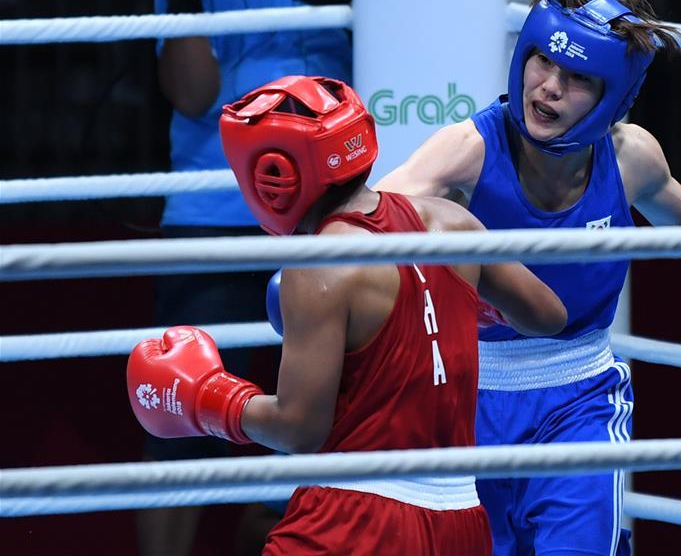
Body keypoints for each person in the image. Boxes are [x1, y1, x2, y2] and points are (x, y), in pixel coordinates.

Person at [375, 0, 681, 555]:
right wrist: (317, 284)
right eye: (541, 62)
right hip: (462, 397)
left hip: (578, 397)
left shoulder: (629, 155)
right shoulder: (468, 151)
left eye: (577, 77)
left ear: (615, 95)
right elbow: (372, 220)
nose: (548, 88)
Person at [126, 75, 568, 554]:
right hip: (461, 520)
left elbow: (299, 427)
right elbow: (549, 316)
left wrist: (208, 401)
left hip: (355, 517)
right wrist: (468, 305)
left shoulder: (320, 266)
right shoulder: (451, 221)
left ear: (274, 173)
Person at [141, 0, 353, 553]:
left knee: (330, 420)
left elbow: (405, 67)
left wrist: (352, 3)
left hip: (328, 214)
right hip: (215, 213)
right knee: (178, 412)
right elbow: (190, 94)